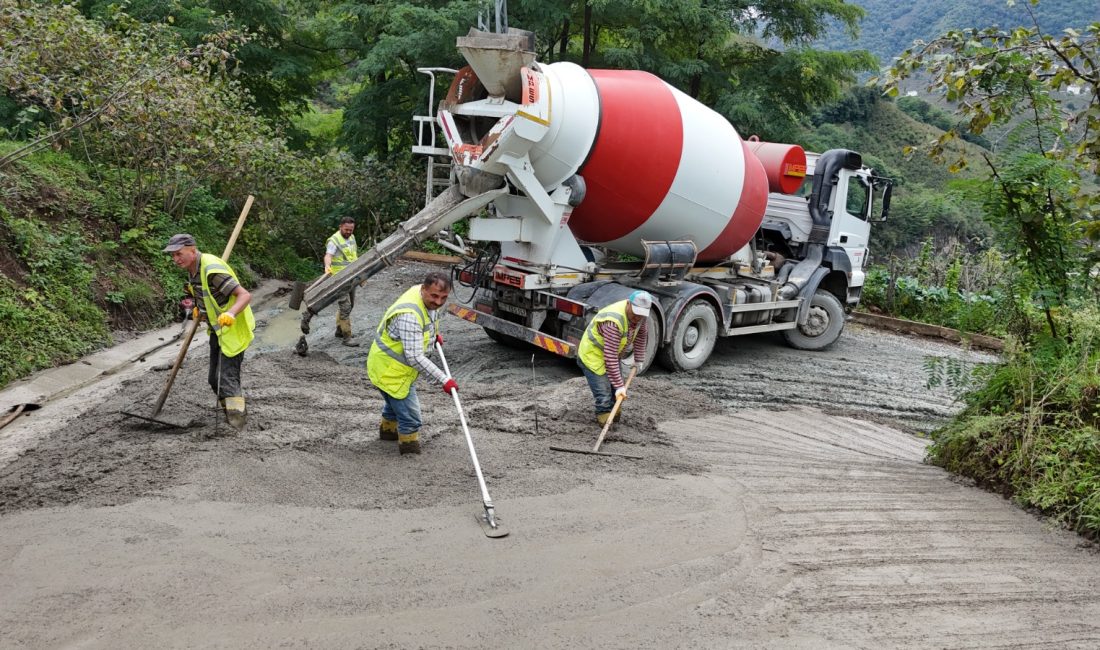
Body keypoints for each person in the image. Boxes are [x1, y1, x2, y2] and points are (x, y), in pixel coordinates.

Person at [164, 233, 256, 430]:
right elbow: (206, 293)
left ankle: (237, 422)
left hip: (233, 329)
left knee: (226, 379)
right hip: (217, 330)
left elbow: (244, 295)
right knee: (213, 379)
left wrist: (230, 313)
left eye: (179, 254)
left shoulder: (212, 270)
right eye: (173, 255)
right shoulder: (193, 270)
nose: (176, 259)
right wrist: (200, 308)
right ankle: (230, 411)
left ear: (192, 250)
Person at [367, 271, 458, 455]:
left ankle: (388, 433)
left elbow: (428, 318)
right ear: (424, 289)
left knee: (394, 403)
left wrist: (432, 336)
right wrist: (444, 380)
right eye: (434, 296)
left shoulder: (421, 295)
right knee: (410, 417)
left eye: (443, 297)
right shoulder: (409, 315)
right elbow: (415, 357)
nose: (438, 302)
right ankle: (409, 450)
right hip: (391, 370)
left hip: (390, 365)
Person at [577, 290, 652, 425]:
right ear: (628, 304)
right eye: (635, 313)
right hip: (593, 355)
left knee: (616, 392)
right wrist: (619, 386)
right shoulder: (613, 321)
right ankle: (605, 420)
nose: (637, 317)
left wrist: (639, 359)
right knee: (604, 394)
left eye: (641, 314)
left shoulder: (641, 316)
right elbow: (610, 356)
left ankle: (615, 417)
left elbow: (641, 335)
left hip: (612, 353)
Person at [324, 216, 360, 346]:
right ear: (340, 227)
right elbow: (328, 255)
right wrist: (327, 266)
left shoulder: (352, 238)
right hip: (339, 280)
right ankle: (347, 338)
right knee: (345, 307)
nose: (349, 232)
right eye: (346, 230)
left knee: (351, 305)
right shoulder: (334, 241)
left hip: (351, 277)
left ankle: (339, 330)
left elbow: (354, 256)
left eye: (351, 230)